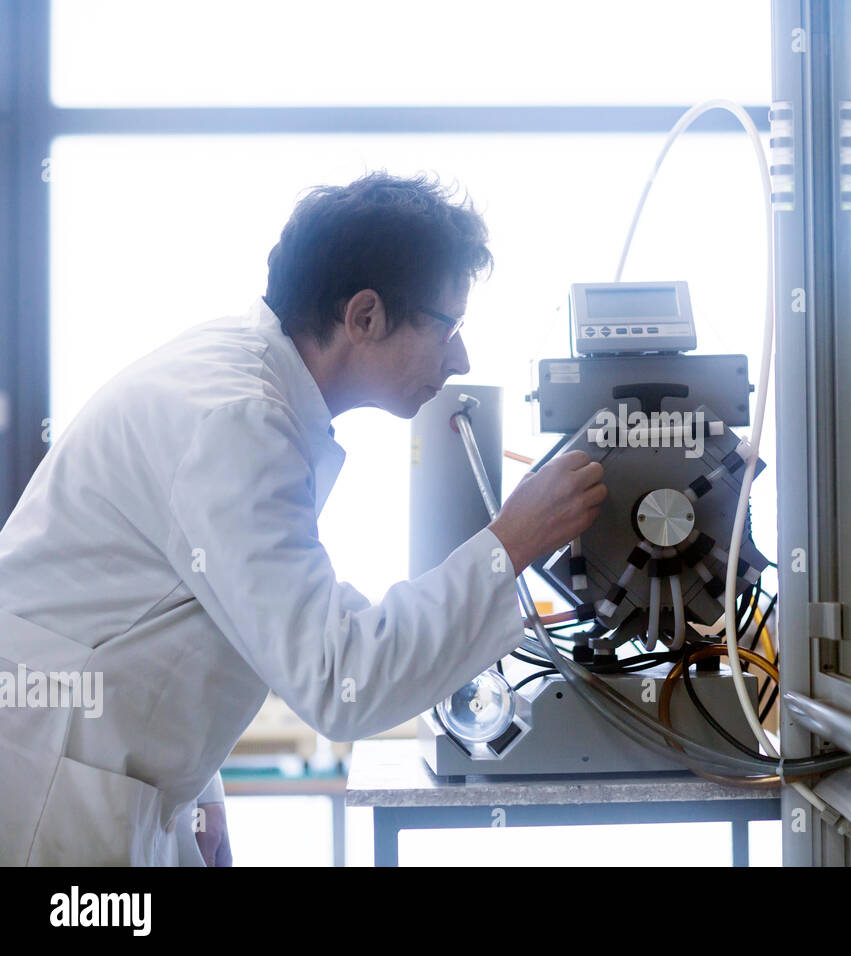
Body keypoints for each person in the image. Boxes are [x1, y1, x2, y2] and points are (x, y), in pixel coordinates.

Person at [0, 171, 606, 865]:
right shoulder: (236, 420)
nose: (460, 356)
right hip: (47, 784)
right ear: (365, 315)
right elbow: (340, 679)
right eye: (450, 326)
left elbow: (174, 610)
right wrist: (512, 541)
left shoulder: (246, 386)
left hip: (96, 765)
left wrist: (201, 795)